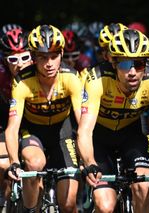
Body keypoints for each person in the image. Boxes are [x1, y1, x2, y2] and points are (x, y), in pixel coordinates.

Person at [77, 29, 149, 213]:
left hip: (133, 135)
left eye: (139, 64)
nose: (132, 72)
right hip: (100, 139)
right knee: (105, 206)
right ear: (113, 62)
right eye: (124, 64)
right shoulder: (97, 78)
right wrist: (89, 161)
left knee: (143, 187)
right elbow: (84, 131)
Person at [5, 24, 83, 213]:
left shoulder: (71, 77)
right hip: (33, 132)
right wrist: (14, 162)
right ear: (33, 57)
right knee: (35, 163)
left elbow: (83, 123)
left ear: (62, 54)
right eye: (42, 57)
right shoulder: (22, 81)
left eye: (54, 56)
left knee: (69, 204)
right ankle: (31, 209)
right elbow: (12, 128)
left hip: (62, 134)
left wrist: (87, 158)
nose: (49, 63)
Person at [0, 27, 33, 210]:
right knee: (3, 164)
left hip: (32, 123)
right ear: (5, 61)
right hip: (4, 121)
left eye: (25, 57)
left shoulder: (40, 71)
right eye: (13, 59)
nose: (20, 64)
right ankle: (3, 198)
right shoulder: (1, 76)